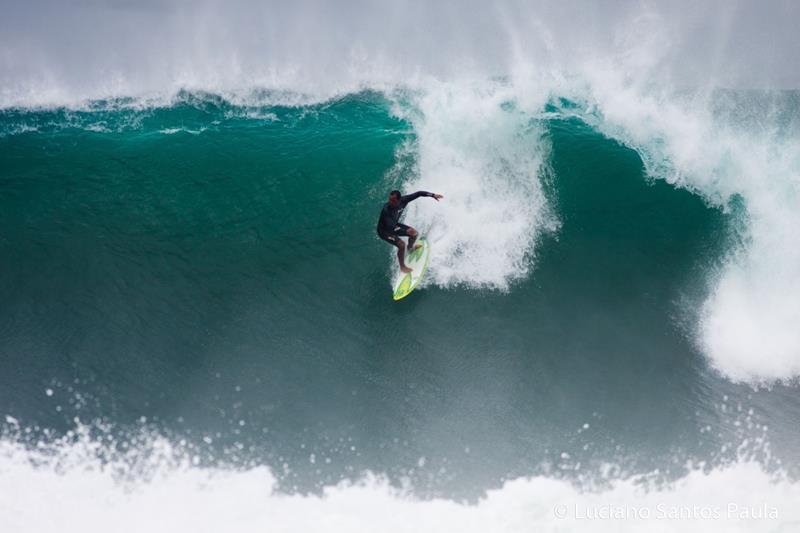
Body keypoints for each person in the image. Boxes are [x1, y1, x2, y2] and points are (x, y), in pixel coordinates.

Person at [377, 190, 443, 273]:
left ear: (399, 200)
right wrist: (402, 232)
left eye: (393, 200)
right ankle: (402, 267)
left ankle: (410, 248)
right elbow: (391, 227)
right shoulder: (386, 209)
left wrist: (433, 195)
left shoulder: (404, 200)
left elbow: (419, 193)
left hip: (394, 225)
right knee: (401, 244)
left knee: (414, 234)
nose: (390, 202)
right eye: (389, 199)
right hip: (384, 231)